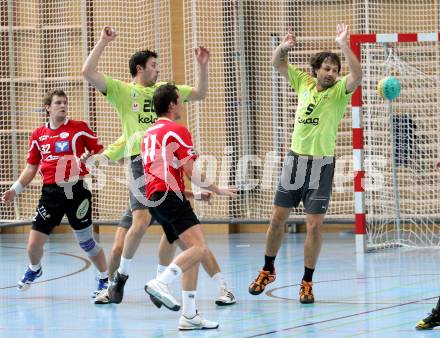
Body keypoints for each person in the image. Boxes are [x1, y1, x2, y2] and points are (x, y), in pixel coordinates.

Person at [82, 26, 210, 303]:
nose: (158, 70)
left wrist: (202, 66)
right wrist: (103, 42)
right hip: (141, 162)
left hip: (167, 167)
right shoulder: (123, 92)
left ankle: (159, 283)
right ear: (139, 68)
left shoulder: (164, 94)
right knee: (138, 223)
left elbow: (199, 93)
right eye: (153, 66)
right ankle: (120, 280)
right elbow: (88, 73)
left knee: (174, 234)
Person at [248, 23, 362, 303]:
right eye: (326, 68)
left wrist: (343, 45)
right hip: (295, 160)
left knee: (314, 226)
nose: (331, 73)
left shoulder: (339, 93)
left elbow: (357, 75)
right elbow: (276, 62)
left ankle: (307, 282)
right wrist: (283, 47)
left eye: (335, 70)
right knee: (277, 220)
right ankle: (268, 268)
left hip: (322, 165)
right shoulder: (303, 82)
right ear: (316, 70)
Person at [92, 136, 235, 306]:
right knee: (117, 249)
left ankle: (223, 288)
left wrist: (196, 194)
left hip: (163, 201)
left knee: (195, 247)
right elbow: (105, 158)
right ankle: (112, 287)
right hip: (138, 205)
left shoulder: (163, 145)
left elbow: (171, 186)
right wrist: (91, 158)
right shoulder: (130, 145)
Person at [142, 83, 237, 330]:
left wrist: (192, 194)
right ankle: (161, 282)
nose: (182, 104)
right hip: (169, 196)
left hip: (156, 198)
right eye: (180, 100)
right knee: (199, 248)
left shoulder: (148, 134)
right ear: (172, 104)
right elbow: (190, 170)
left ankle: (190, 315)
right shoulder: (177, 130)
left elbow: (157, 177)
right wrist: (218, 189)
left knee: (191, 254)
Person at [1, 89, 109, 296]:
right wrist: (15, 190)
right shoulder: (38, 135)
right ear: (48, 107)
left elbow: (100, 153)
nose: (63, 105)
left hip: (76, 191)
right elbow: (31, 167)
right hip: (50, 194)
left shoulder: (79, 128)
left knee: (87, 243)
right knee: (33, 246)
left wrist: (90, 159)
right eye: (58, 102)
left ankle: (104, 278)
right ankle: (35, 269)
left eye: (65, 102)